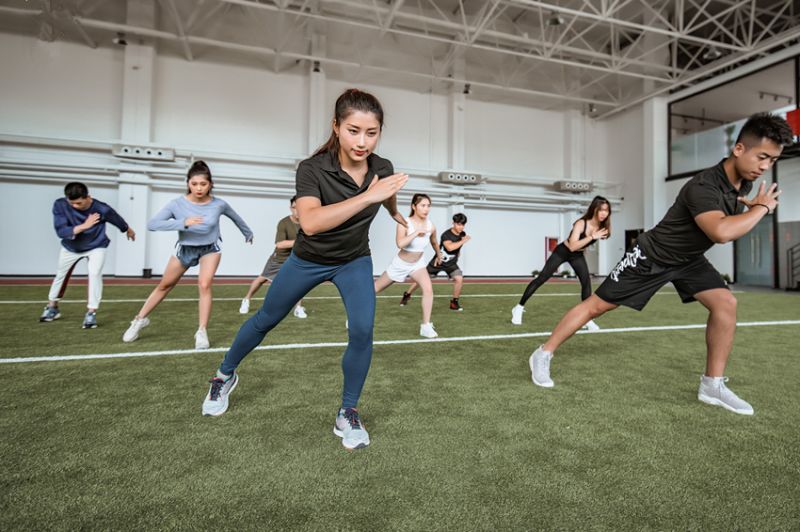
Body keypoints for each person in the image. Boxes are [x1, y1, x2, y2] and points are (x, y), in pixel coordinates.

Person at [528, 112, 793, 416]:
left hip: (688, 259)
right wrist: (760, 208)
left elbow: (727, 211)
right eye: (762, 157)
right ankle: (543, 353)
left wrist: (746, 203)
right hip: (652, 255)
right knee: (597, 306)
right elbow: (721, 232)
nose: (765, 167)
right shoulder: (702, 186)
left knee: (725, 304)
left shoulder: (741, 185)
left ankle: (712, 385)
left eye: (772, 161)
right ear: (738, 149)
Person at [201, 89, 409, 451]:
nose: (362, 141)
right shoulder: (311, 169)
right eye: (353, 130)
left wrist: (392, 210)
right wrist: (368, 197)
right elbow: (310, 223)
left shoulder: (381, 168)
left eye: (371, 132)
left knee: (363, 331)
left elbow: (386, 190)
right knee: (266, 318)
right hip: (308, 259)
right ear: (336, 127)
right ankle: (223, 375)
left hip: (354, 260)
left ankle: (348, 411)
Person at [122, 161, 253, 349]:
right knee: (165, 285)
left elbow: (236, 218)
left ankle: (201, 331)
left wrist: (248, 233)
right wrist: (183, 222)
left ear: (210, 184)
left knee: (205, 284)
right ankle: (139, 320)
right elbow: (153, 224)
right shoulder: (177, 204)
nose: (199, 188)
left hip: (210, 248)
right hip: (185, 249)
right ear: (188, 183)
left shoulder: (219, 204)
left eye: (203, 184)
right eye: (194, 184)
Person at [40, 182, 135, 329]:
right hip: (71, 247)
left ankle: (91, 313)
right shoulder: (60, 205)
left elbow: (117, 219)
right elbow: (61, 232)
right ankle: (52, 307)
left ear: (88, 197)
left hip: (96, 246)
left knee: (95, 274)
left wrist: (127, 229)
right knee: (61, 275)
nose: (75, 206)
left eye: (79, 203)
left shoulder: (101, 208)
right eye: (72, 203)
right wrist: (85, 225)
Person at [511, 196, 611, 328]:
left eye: (607, 210)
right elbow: (572, 246)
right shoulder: (581, 223)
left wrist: (592, 238)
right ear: (594, 209)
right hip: (563, 251)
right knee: (542, 278)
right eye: (601, 210)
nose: (604, 213)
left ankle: (586, 319)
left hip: (577, 255)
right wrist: (592, 236)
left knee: (586, 282)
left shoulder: (602, 227)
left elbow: (580, 248)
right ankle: (518, 308)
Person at [374, 193, 442, 338]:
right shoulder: (404, 222)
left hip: (418, 264)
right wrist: (416, 233)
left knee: (428, 289)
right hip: (400, 264)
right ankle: (355, 317)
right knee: (374, 289)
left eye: (428, 206)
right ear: (414, 206)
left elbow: (434, 242)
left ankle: (425, 326)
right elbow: (400, 243)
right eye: (423, 205)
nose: (426, 209)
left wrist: (439, 254)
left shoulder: (431, 225)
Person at [238, 196, 306, 318]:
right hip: (279, 259)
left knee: (299, 283)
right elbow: (280, 244)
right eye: (295, 207)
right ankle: (246, 299)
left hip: (296, 258)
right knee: (262, 279)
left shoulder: (307, 222)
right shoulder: (283, 223)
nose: (297, 210)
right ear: (291, 208)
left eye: (300, 207)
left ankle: (298, 308)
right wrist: (300, 242)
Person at [401, 212, 470, 311]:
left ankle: (454, 303)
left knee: (459, 279)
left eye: (463, 225)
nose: (461, 227)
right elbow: (449, 248)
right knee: (421, 280)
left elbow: (456, 248)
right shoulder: (446, 235)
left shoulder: (462, 235)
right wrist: (463, 241)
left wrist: (458, 254)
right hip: (437, 262)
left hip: (451, 264)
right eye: (459, 224)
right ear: (453, 223)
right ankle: (407, 294)